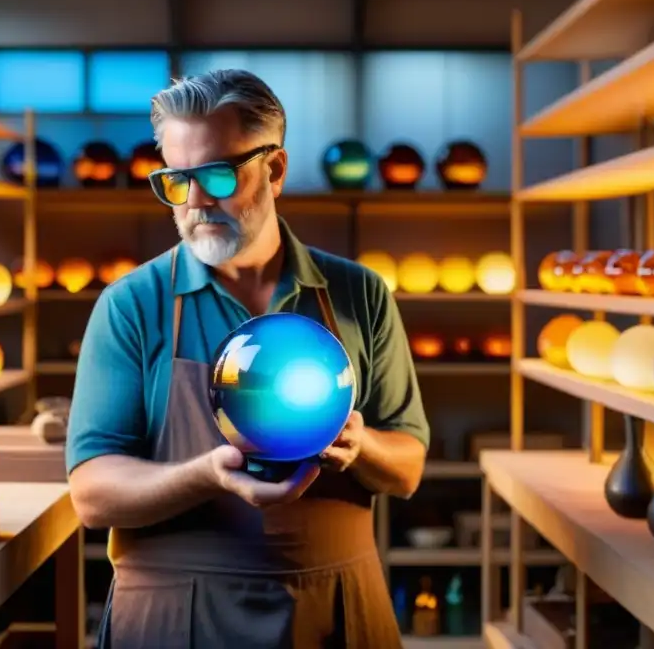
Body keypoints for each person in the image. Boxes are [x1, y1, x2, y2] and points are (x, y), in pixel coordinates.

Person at [66, 69, 430, 648]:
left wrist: (363, 447)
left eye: (216, 174)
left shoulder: (358, 295)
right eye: (176, 180)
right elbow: (91, 495)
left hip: (334, 612)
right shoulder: (132, 305)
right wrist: (208, 474)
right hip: (173, 617)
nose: (196, 201)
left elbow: (407, 468)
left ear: (275, 169)